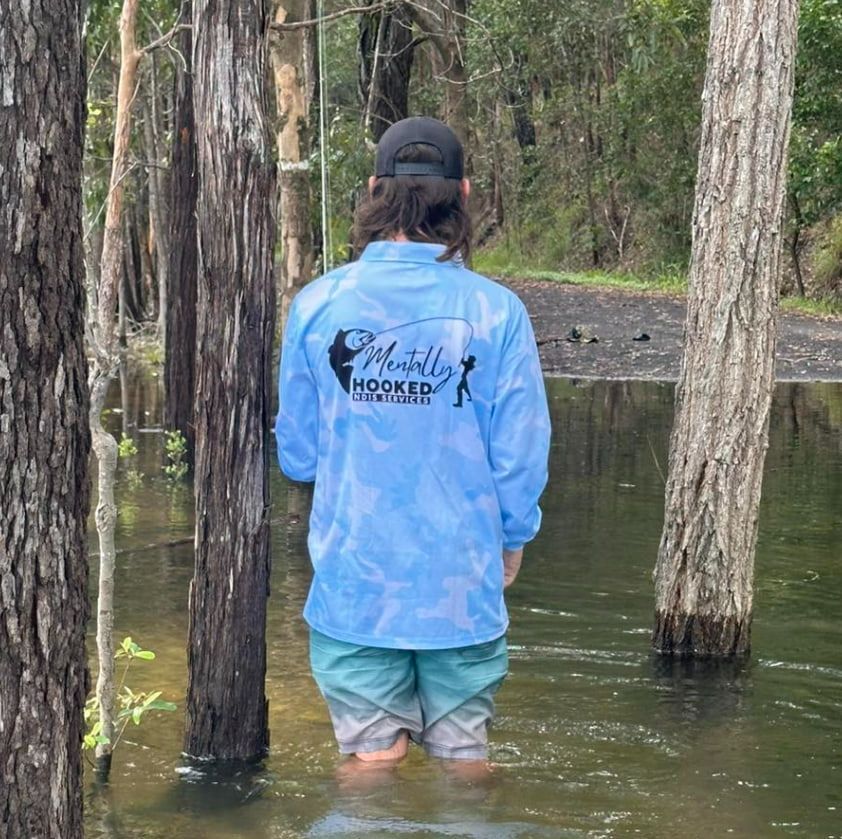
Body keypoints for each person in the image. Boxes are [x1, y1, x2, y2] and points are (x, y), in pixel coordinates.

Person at [276, 116, 551, 767]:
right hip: (462, 586)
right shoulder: (497, 311)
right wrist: (510, 543)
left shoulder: (317, 304)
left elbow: (299, 453)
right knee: (465, 763)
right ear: (464, 194)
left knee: (371, 767)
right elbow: (521, 453)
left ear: (374, 188)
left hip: (354, 588)